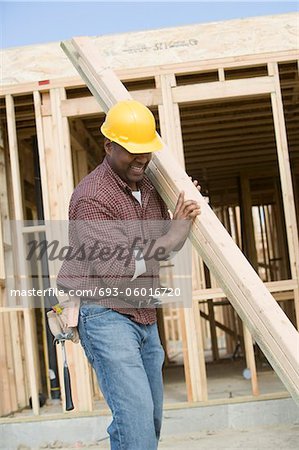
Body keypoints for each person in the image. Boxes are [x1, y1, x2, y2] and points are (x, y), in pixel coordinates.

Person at [57, 100, 201, 450]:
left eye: (146, 152)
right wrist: (171, 236)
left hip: (143, 312)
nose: (141, 159)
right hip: (103, 313)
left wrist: (185, 217)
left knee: (145, 420)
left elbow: (167, 245)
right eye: (131, 151)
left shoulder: (149, 188)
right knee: (135, 420)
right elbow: (116, 269)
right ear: (109, 146)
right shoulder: (91, 198)